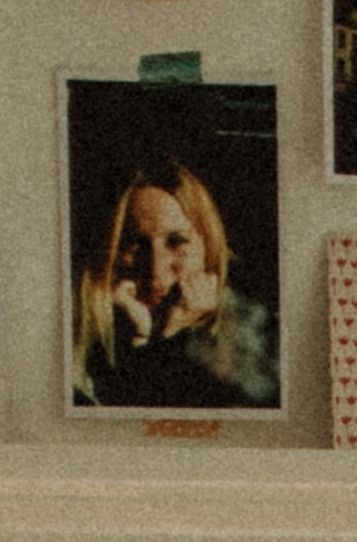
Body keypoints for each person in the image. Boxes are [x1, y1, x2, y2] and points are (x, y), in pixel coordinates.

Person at [72, 164, 272, 410]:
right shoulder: (76, 341)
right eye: (135, 243)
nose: (155, 268)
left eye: (177, 241)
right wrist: (144, 340)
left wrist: (168, 338)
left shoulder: (252, 338)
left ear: (208, 246)